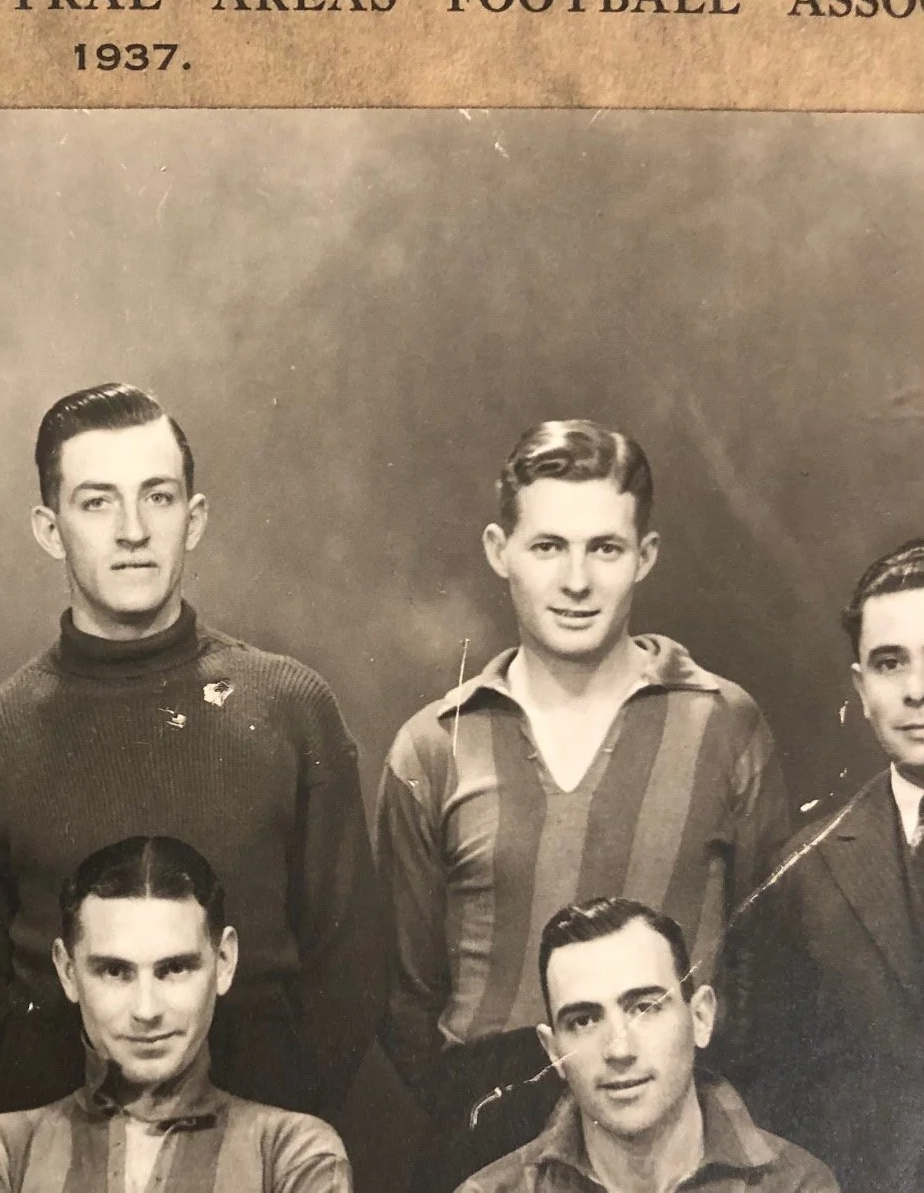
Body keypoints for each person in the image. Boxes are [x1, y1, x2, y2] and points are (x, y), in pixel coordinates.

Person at [0, 383, 383, 1121]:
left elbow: (349, 965)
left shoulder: (290, 708)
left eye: (158, 497)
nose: (132, 529)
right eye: (96, 502)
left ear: (193, 518)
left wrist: (263, 1133)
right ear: (49, 528)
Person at [376, 420, 790, 1191]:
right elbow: (406, 997)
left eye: (603, 548)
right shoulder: (433, 747)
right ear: (499, 550)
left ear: (644, 556)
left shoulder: (724, 725)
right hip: (490, 1120)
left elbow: (766, 963)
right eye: (546, 547)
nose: (575, 581)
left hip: (678, 1126)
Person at [0, 836, 352, 1193]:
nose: (146, 1010)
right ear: (67, 971)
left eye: (174, 969)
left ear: (224, 961)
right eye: (114, 971)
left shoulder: (291, 1155)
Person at [740, 537, 924, 1193]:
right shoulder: (806, 868)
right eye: (888, 662)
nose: (916, 690)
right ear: (859, 686)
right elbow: (777, 1087)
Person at [457, 898, 836, 1193]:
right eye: (584, 1020)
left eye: (645, 1008)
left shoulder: (798, 1186)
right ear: (555, 1051)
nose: (619, 1050)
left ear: (701, 1018)